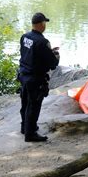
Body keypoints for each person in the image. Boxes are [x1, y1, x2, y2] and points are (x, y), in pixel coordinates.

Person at [18, 12, 60, 142]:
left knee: (25, 102)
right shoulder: (42, 42)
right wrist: (56, 55)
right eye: (44, 23)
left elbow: (30, 55)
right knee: (34, 105)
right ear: (41, 25)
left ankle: (25, 127)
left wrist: (48, 52)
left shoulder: (25, 37)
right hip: (35, 78)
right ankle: (30, 134)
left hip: (24, 75)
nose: (45, 26)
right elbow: (52, 64)